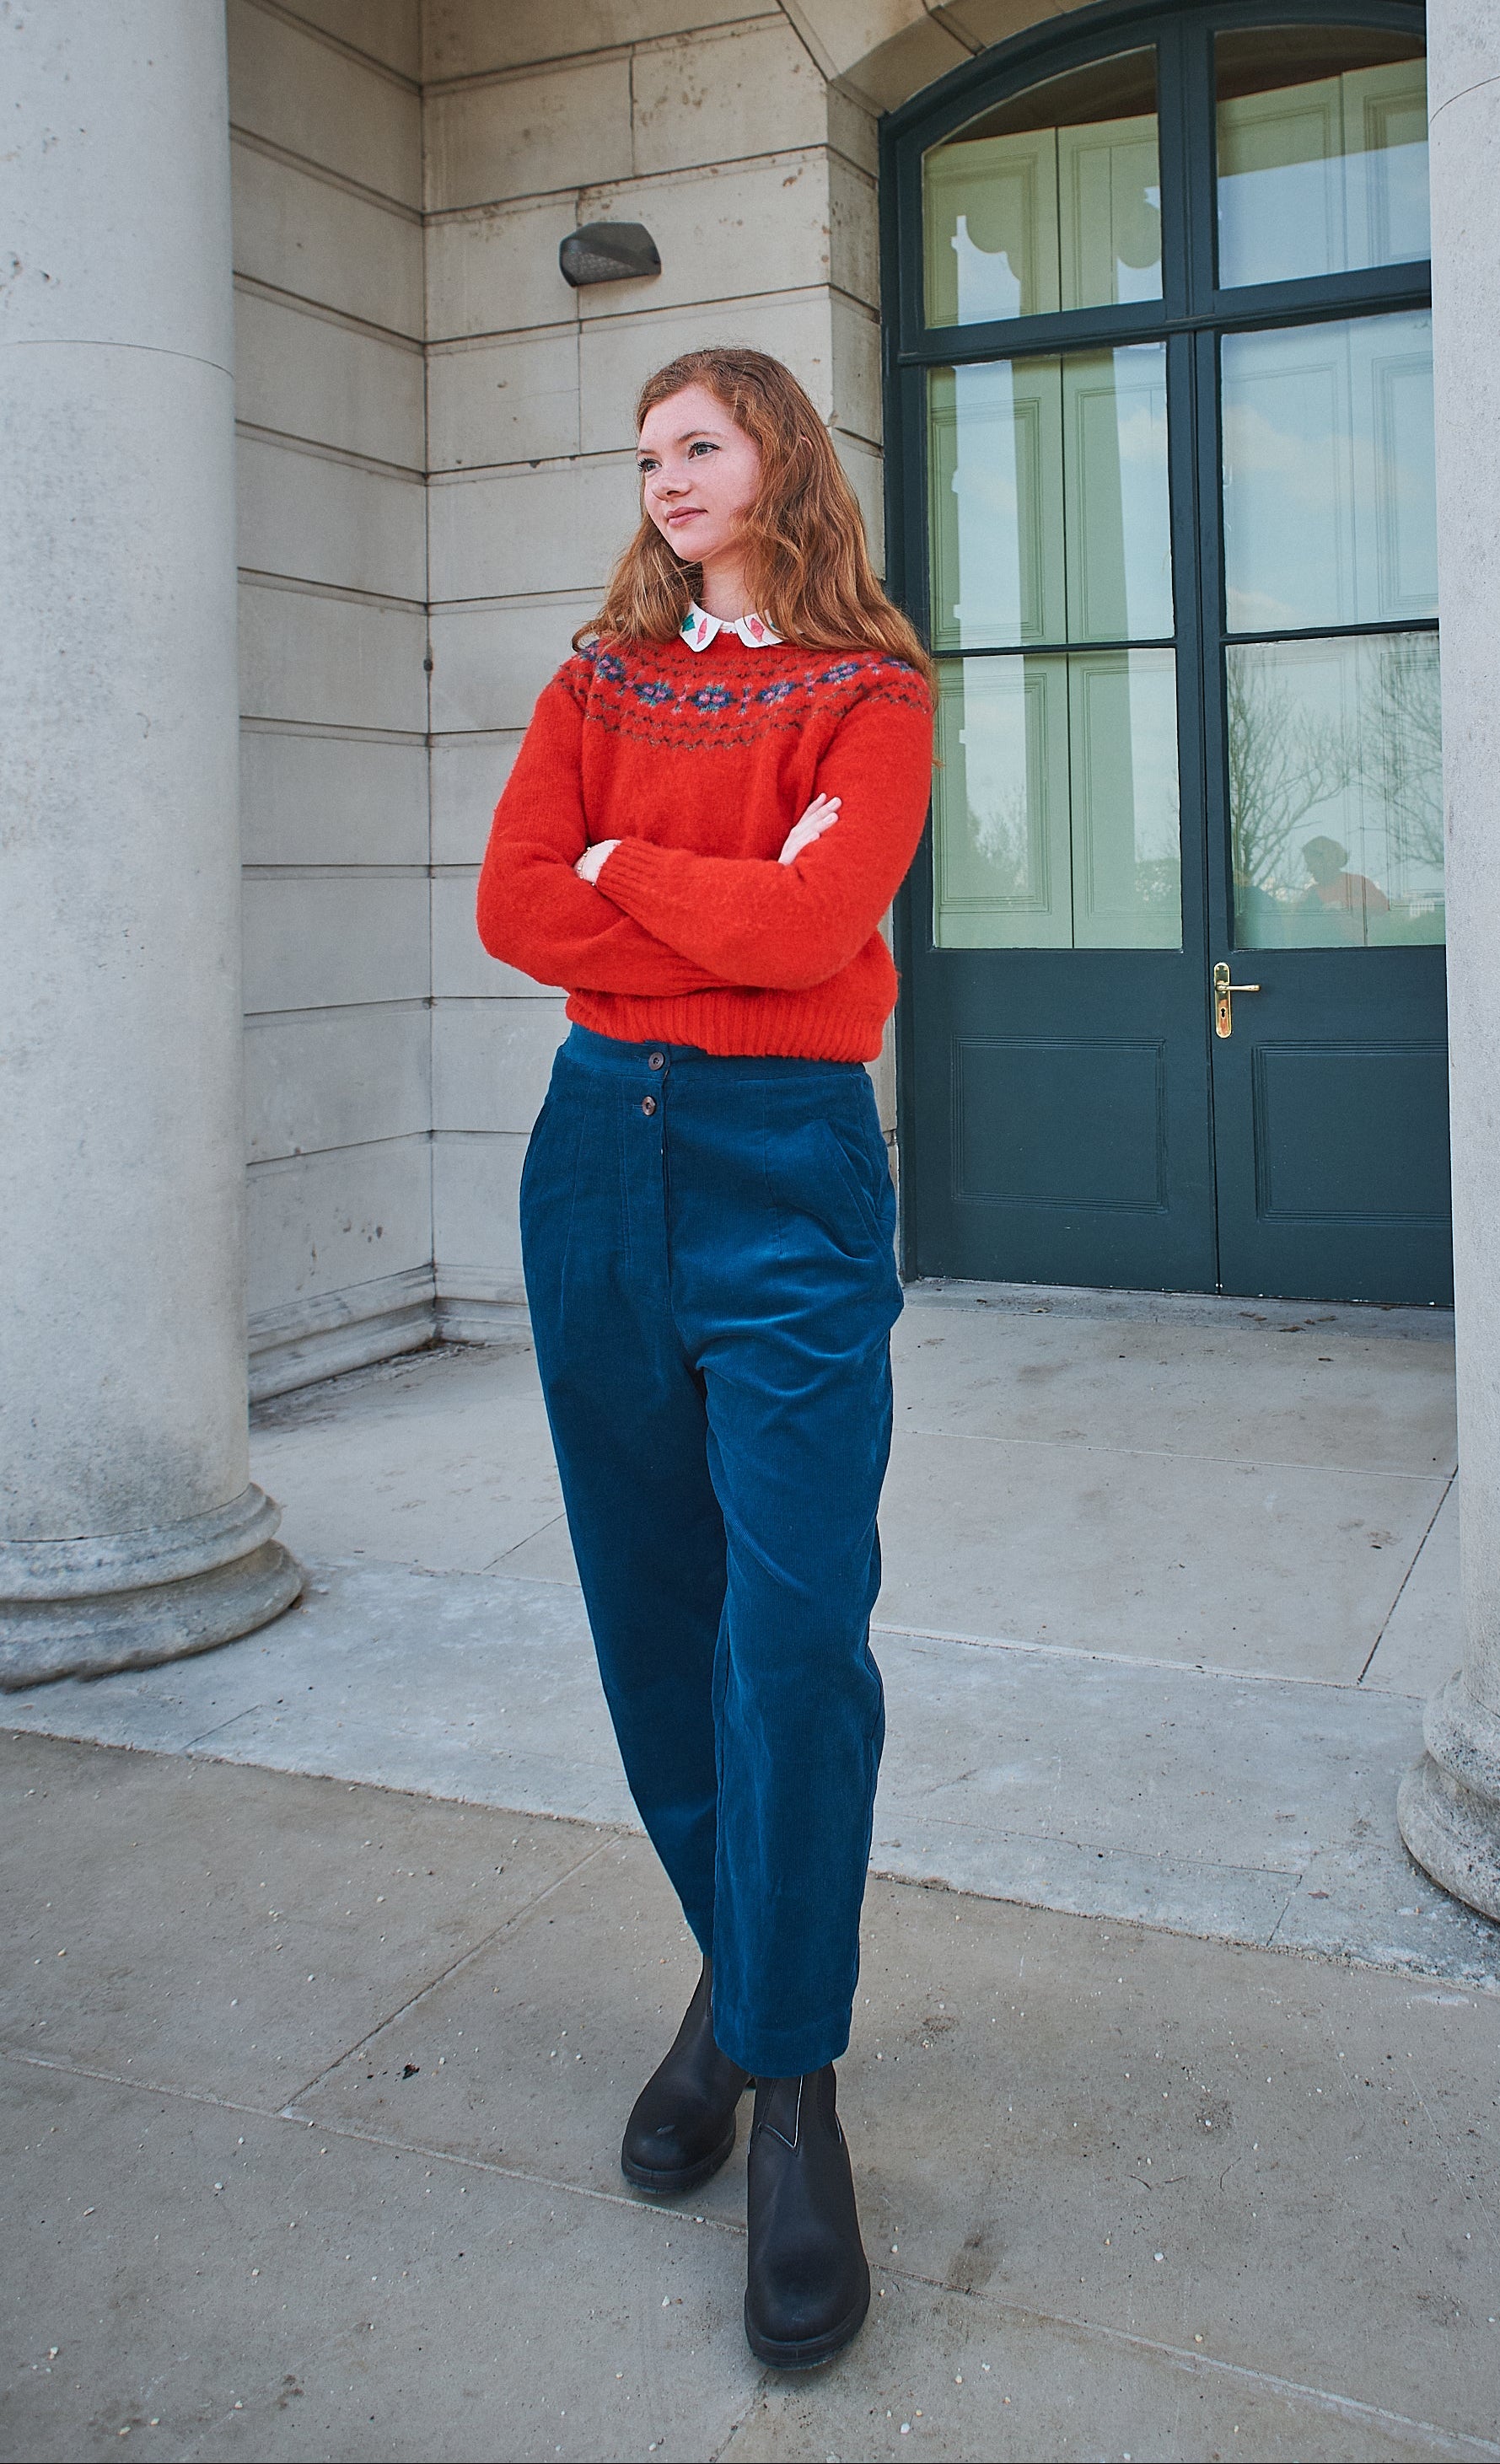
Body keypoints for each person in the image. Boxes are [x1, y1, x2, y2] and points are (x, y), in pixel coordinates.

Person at [476, 346, 935, 2369]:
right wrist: (707, 916)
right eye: (644, 451)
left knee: (793, 1635)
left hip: (786, 1178)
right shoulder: (592, 680)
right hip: (595, 1167)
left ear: (777, 462)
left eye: (699, 442)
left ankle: (792, 2084)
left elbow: (825, 918)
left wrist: (623, 883)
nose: (664, 476)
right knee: (658, 1629)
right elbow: (511, 906)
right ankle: (733, 1992)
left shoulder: (873, 693)